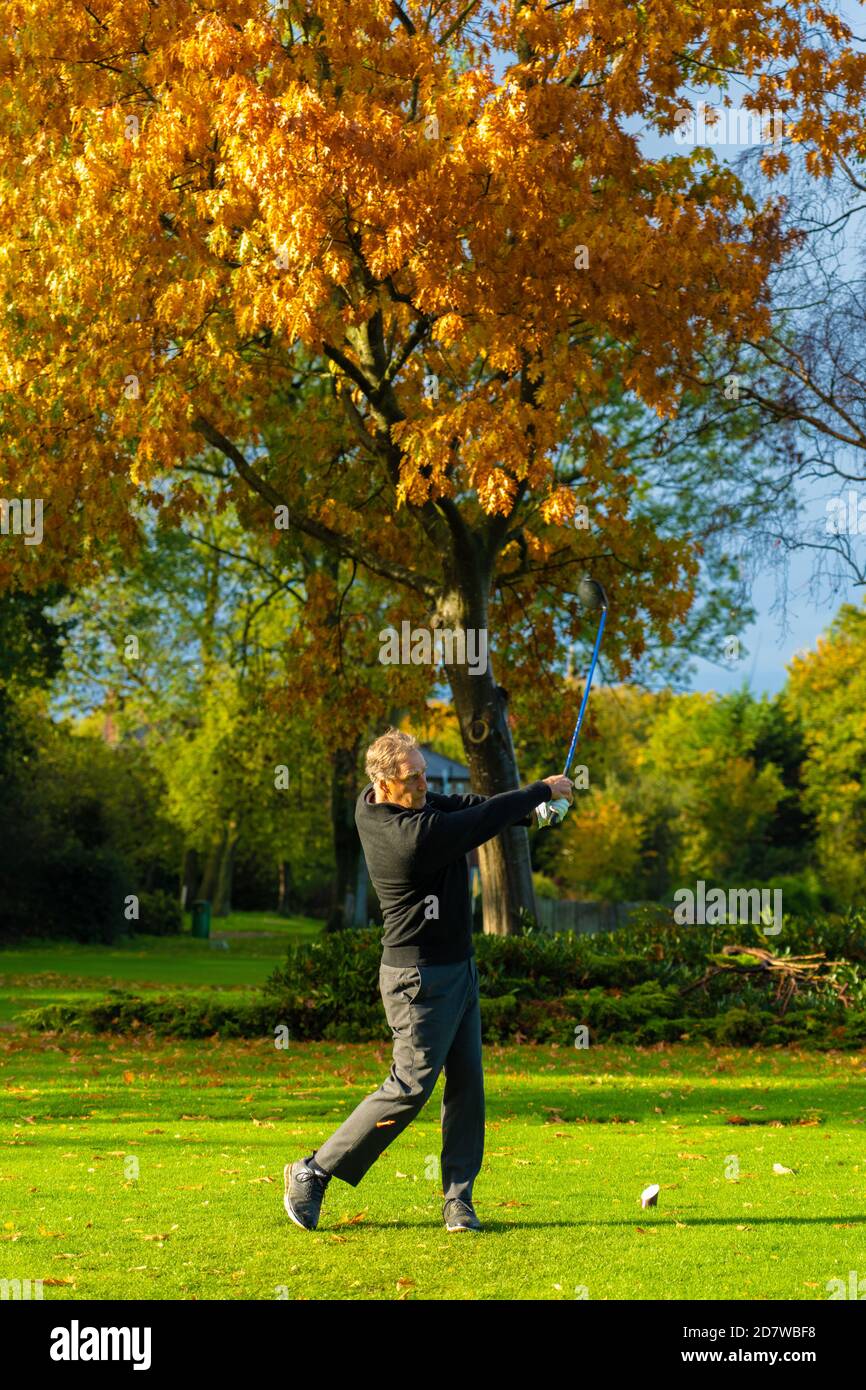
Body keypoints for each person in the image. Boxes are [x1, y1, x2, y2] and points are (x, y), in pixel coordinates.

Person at [284, 727, 573, 1233]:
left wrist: (529, 815)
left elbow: (460, 801)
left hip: (458, 966)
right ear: (385, 785)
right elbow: (473, 823)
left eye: (421, 773)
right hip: (416, 980)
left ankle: (458, 1199)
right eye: (412, 778)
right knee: (410, 1087)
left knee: (467, 1085)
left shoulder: (391, 801)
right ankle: (313, 1170)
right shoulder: (407, 838)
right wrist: (540, 792)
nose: (423, 784)